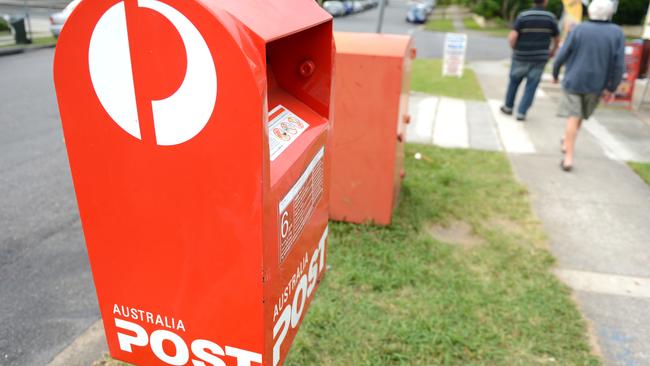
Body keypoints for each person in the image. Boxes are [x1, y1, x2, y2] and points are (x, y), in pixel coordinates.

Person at [552, 0, 625, 172]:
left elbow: (563, 54)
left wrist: (555, 73)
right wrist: (612, 87)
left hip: (574, 80)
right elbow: (619, 65)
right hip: (597, 84)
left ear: (590, 12)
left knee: (575, 116)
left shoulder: (579, 29)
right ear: (609, 13)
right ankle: (568, 154)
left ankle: (567, 145)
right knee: (578, 115)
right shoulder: (616, 33)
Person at [501, 0, 560, 121]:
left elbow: (512, 37)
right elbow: (557, 38)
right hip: (540, 58)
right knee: (531, 86)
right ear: (545, 2)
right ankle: (521, 112)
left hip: (520, 56)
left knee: (514, 82)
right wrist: (552, 51)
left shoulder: (523, 16)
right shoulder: (551, 17)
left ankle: (508, 107)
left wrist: (515, 48)